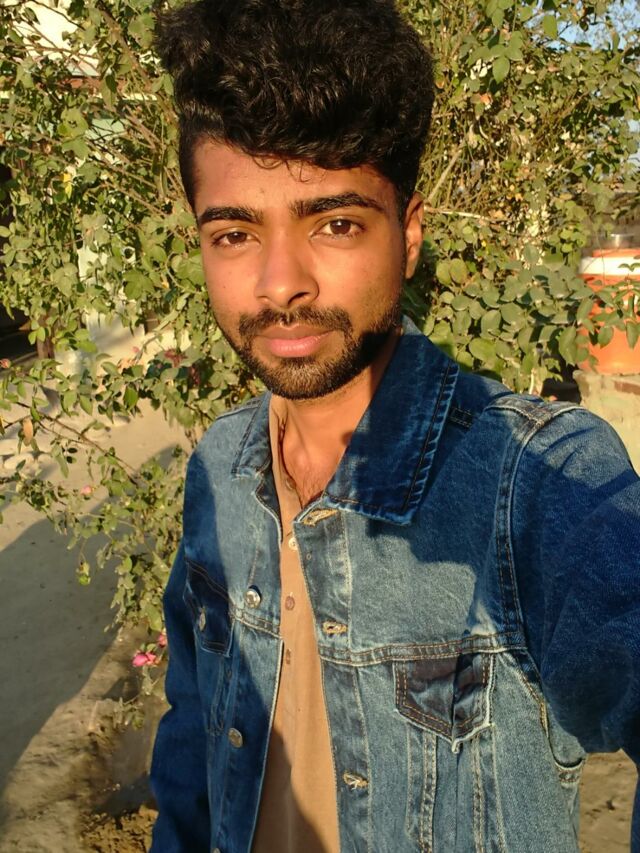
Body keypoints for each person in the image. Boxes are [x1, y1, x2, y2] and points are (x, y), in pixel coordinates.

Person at [149, 1, 640, 851]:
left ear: (408, 235)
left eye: (335, 223)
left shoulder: (530, 482)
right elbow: (193, 754)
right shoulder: (219, 466)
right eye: (234, 233)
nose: (280, 283)